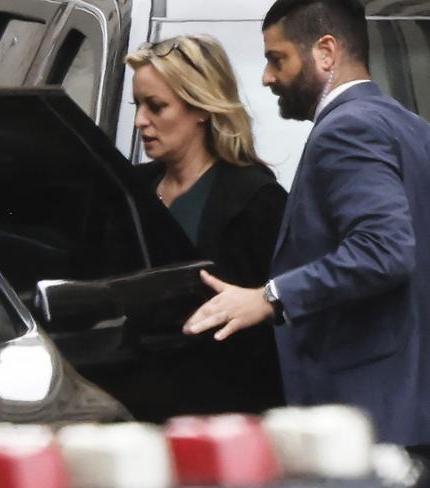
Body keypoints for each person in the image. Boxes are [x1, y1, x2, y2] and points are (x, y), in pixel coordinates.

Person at [183, 0, 430, 451]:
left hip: (367, 420)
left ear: (326, 52)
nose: (267, 77)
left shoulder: (347, 129)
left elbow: (384, 250)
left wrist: (270, 297)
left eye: (278, 59)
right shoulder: (410, 126)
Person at [125, 35, 287, 418]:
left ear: (200, 107)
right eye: (138, 106)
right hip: (139, 408)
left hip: (225, 415)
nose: (140, 121)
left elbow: (291, 310)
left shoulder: (256, 200)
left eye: (156, 107)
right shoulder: (131, 188)